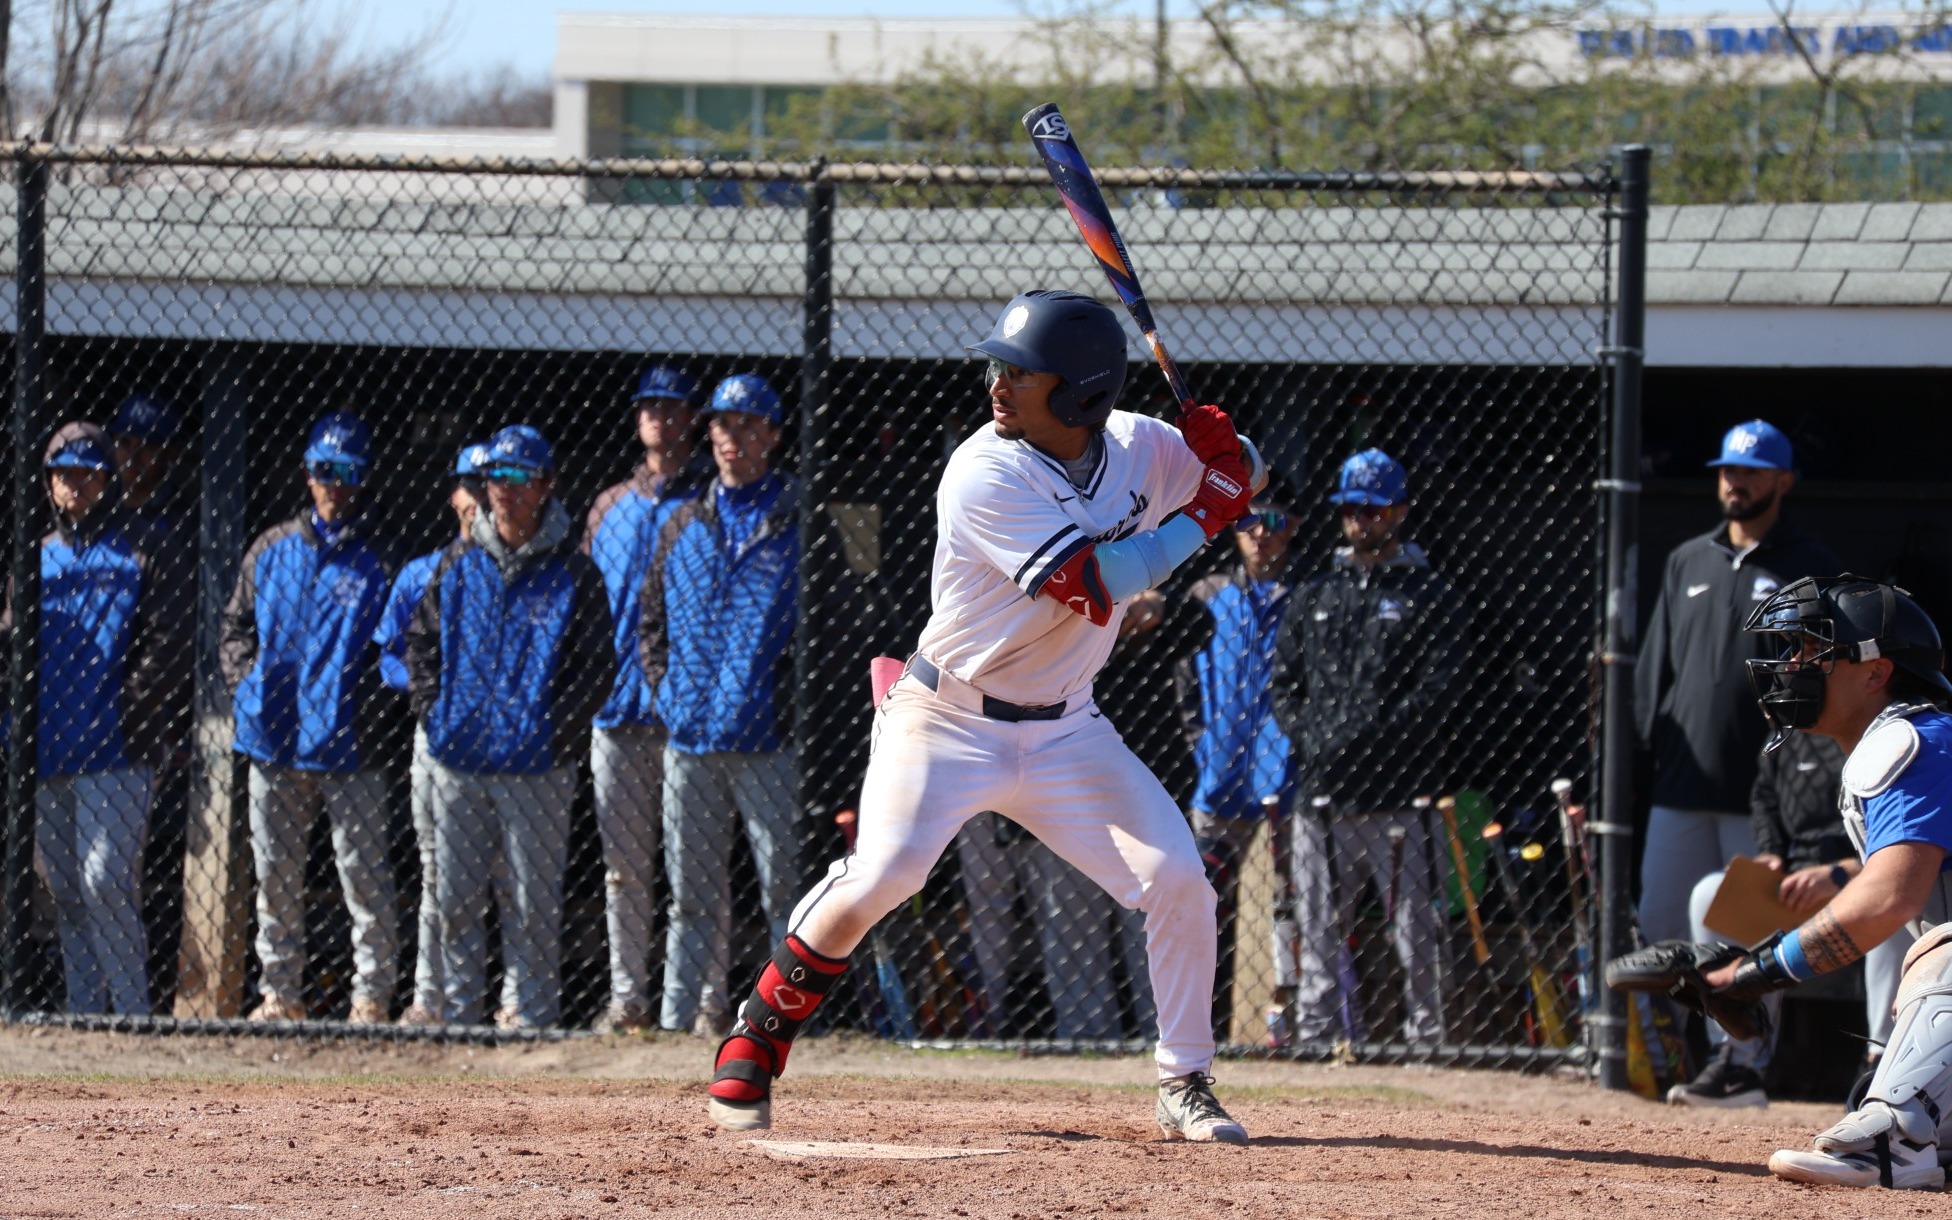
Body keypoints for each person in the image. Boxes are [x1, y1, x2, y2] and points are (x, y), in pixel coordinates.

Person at [704, 289, 1263, 1143]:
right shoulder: (983, 470)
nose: (997, 385)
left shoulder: (1143, 446)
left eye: (1021, 374)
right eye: (997, 367)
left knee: (1180, 879)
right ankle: (760, 1027)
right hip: (947, 717)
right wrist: (1209, 509)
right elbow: (1095, 584)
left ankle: (1184, 1080)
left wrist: (1231, 452)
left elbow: (1244, 474)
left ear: (1081, 393)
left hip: (1068, 728)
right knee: (887, 873)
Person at [1618, 576, 1952, 1189]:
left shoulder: (1915, 742)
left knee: (1943, 956)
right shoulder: (1914, 739)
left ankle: (1896, 1143)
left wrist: (1753, 973)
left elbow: (1887, 898)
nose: (1793, 663)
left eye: (1814, 650)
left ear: (1876, 673)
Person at [407, 424, 615, 1030]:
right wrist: (438, 717)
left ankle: (528, 1019)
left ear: (546, 487)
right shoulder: (457, 562)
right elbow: (421, 645)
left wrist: (553, 733)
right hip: (459, 761)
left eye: (522, 477)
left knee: (531, 905)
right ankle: (461, 1017)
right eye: (497, 476)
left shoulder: (576, 573)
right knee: (454, 901)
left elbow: (597, 668)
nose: (506, 488)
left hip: (537, 768)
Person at [1270, 449, 1463, 1048]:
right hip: (1322, 794)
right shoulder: (1314, 593)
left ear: (1399, 511)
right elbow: (1284, 684)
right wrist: (1312, 737)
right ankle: (1316, 1042)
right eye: (1352, 509)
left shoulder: (1429, 593)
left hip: (1400, 796)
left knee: (1417, 934)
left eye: (1374, 510)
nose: (1360, 520)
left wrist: (1375, 736)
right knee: (1319, 931)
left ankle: (1428, 1045)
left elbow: (1439, 688)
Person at [1633, 420, 1841, 952]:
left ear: (1784, 481)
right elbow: (1654, 672)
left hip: (1762, 796)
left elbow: (1828, 678)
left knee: (1750, 942)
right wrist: (1648, 755)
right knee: (1661, 932)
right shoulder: (1687, 560)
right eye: (1728, 470)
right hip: (1680, 788)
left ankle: (1744, 1018)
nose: (1735, 482)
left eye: (1752, 472)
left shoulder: (1812, 566)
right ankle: (1667, 1018)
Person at [0, 423, 185, 1014]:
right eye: (64, 474)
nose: (75, 484)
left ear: (108, 479)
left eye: (87, 472)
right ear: (49, 482)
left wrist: (127, 706)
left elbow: (171, 642)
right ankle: (85, 1014)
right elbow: (12, 644)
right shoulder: (36, 557)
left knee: (105, 880)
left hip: (118, 745)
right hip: (48, 744)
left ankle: (132, 1013)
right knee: (65, 890)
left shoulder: (146, 546)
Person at [639, 372, 803, 1038]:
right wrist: (667, 692)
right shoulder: (683, 521)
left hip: (768, 740)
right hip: (691, 738)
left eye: (746, 424)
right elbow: (651, 620)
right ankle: (680, 1024)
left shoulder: (800, 520)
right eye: (721, 424)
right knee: (690, 898)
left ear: (772, 435)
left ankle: (781, 1023)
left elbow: (839, 628)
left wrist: (790, 708)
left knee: (784, 894)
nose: (731, 436)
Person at [221, 412, 397, 1024]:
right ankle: (279, 994)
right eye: (324, 469)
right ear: (306, 473)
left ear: (364, 478)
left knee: (364, 878)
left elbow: (396, 647)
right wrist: (248, 688)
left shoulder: (379, 558)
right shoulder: (271, 547)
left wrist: (368, 709)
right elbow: (234, 628)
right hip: (274, 738)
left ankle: (371, 997)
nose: (334, 483)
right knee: (275, 878)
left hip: (351, 747)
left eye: (347, 471)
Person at [584, 365, 708, 1034]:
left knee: (696, 872)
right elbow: (580, 609)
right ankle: (628, 999)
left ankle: (702, 1007)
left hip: (686, 714)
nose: (660, 417)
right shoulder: (608, 506)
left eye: (673, 406)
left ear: (691, 418)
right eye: (650, 406)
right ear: (638, 418)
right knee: (623, 871)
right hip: (616, 711)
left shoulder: (709, 501)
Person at [372, 440, 489, 1027]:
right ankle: (429, 997)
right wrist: (433, 699)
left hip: (507, 744)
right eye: (470, 486)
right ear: (454, 495)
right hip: (439, 737)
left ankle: (502, 1005)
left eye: (488, 485)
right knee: (438, 869)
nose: (479, 498)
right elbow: (389, 655)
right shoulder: (422, 571)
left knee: (509, 877)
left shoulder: (522, 571)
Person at [1184, 481, 1301, 1039]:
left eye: (1273, 522)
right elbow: (1183, 681)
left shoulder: (1306, 598)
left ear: (1293, 528)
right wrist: (1200, 744)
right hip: (1219, 777)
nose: (1260, 534)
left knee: (1288, 910)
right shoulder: (1207, 594)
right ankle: (1196, 1028)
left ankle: (1286, 1031)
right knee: (1201, 905)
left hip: (1286, 780)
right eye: (1248, 522)